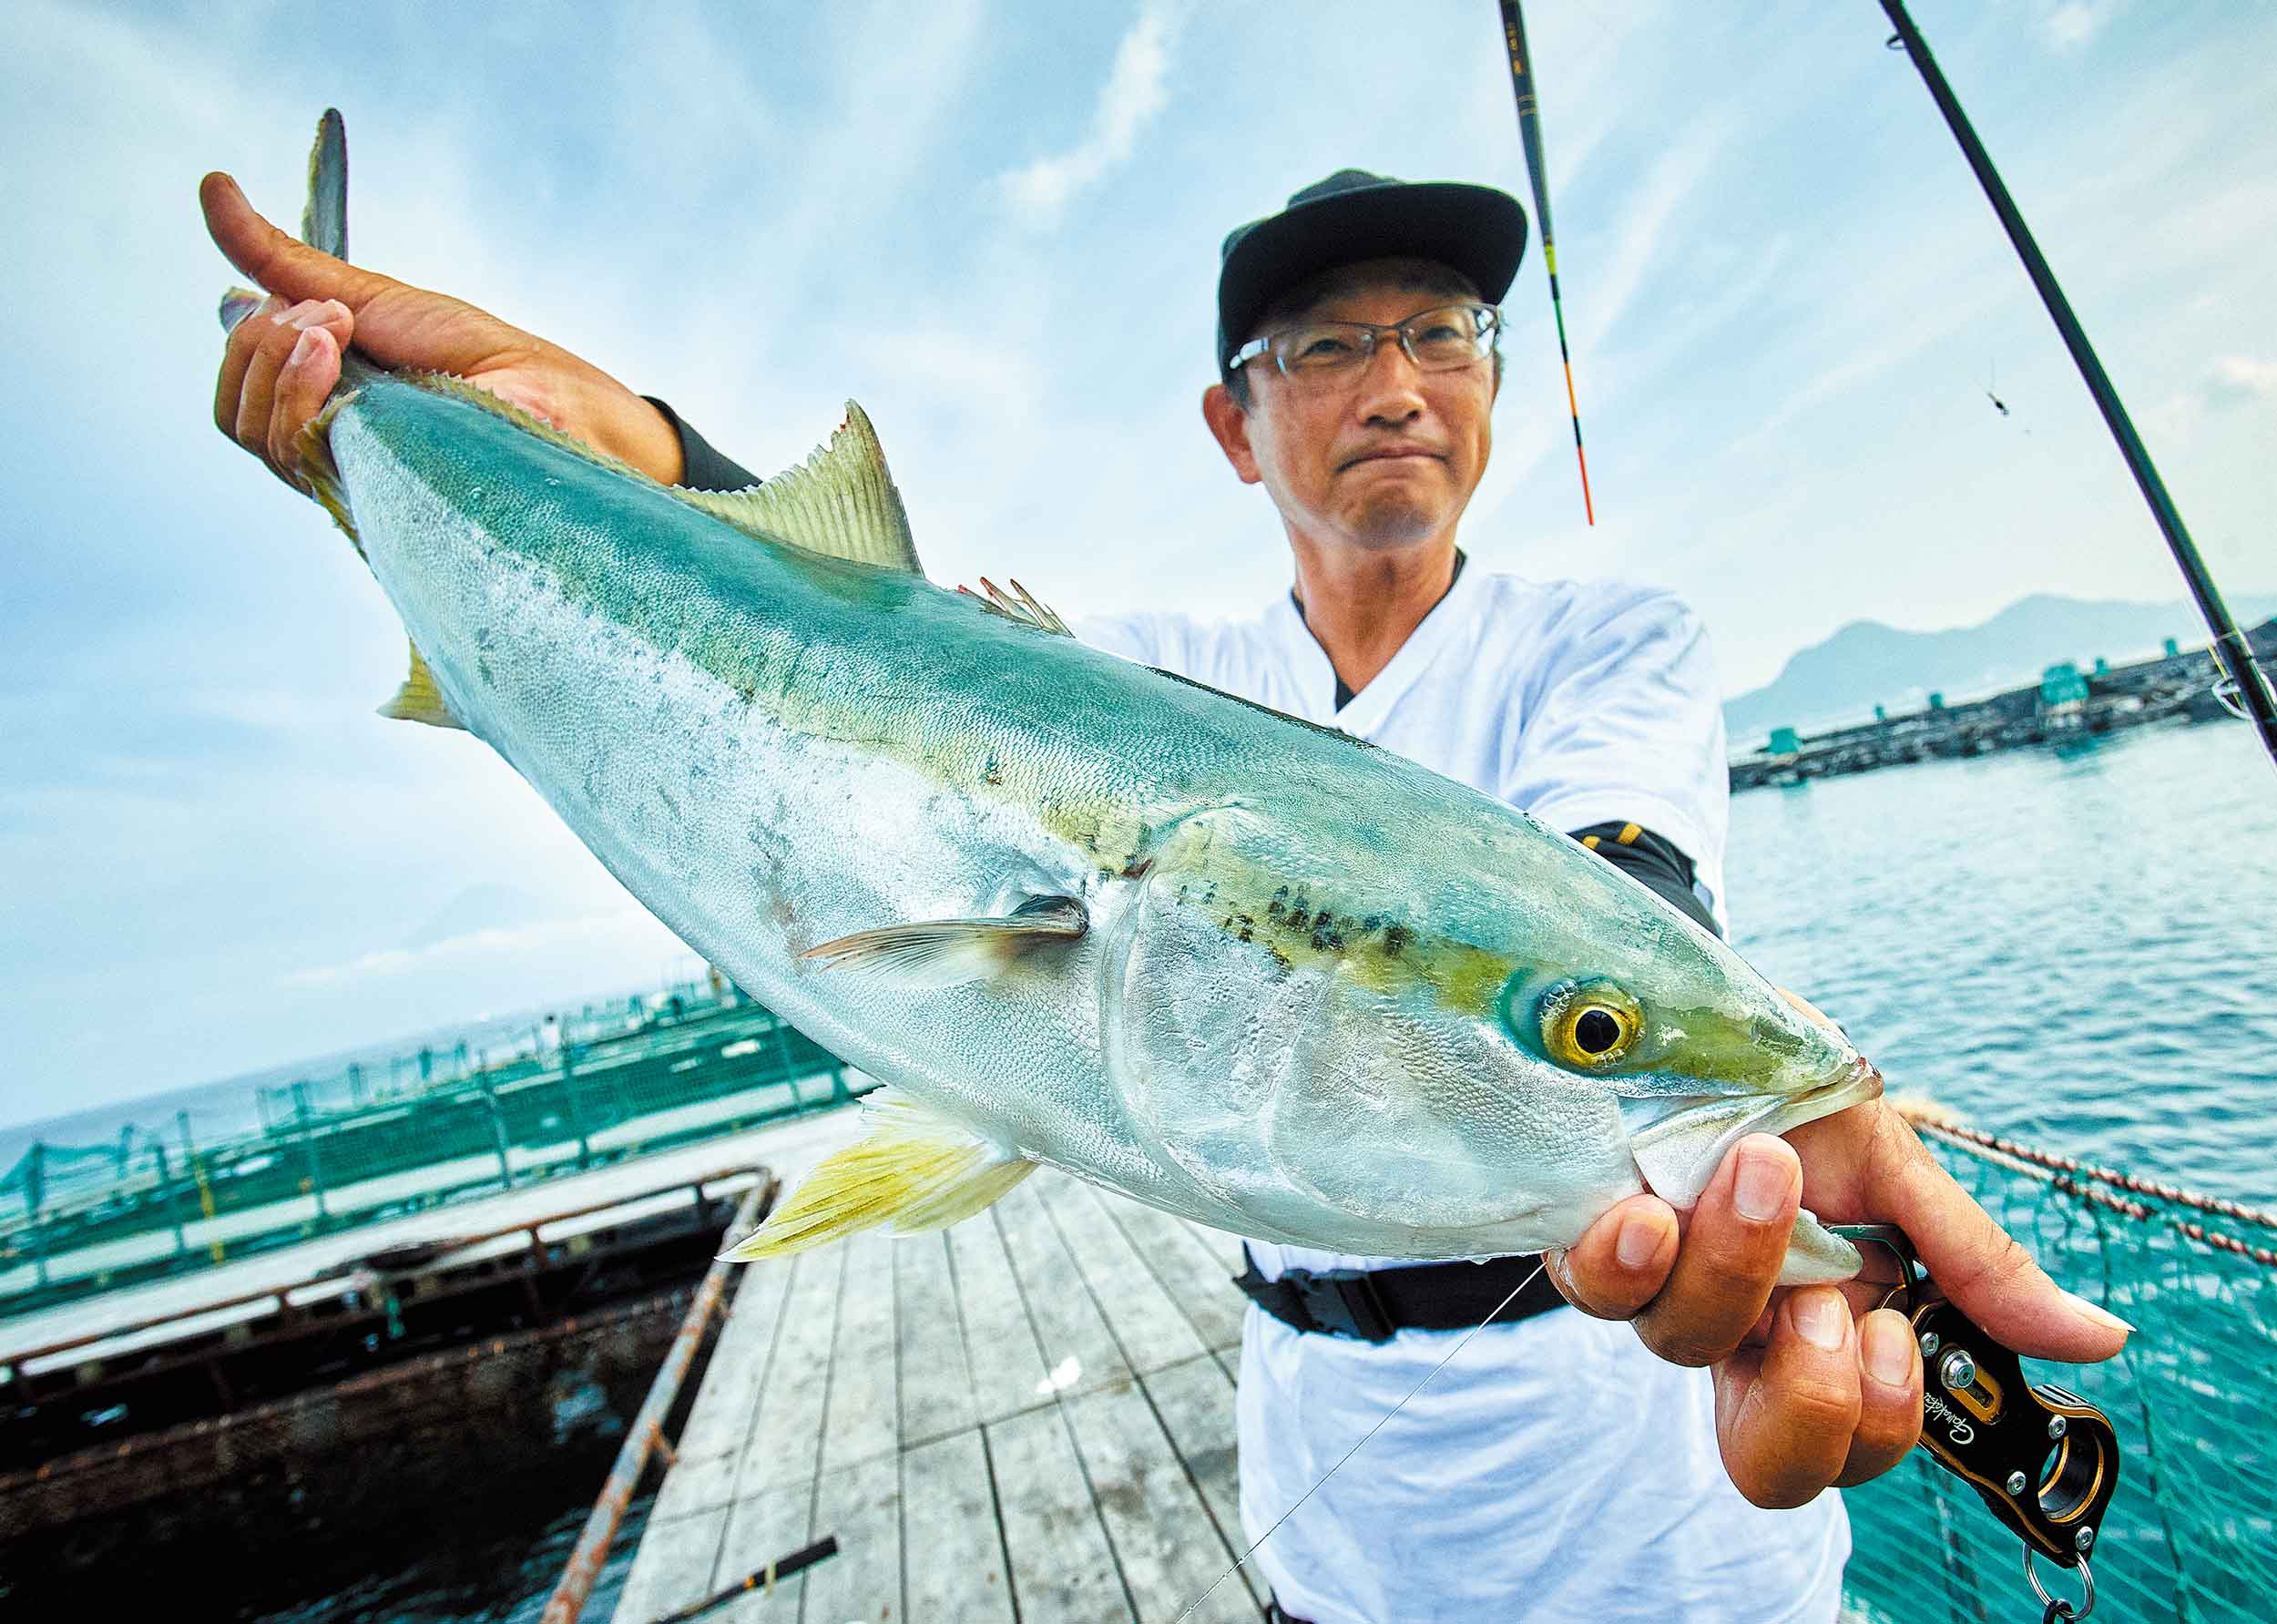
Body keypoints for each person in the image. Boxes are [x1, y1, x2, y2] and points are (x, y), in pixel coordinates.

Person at [200, 164, 2129, 1621]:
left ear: (1489, 386)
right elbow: (847, 624)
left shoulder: (1604, 642)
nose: (1395, 383)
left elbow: (1624, 899)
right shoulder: (1130, 671)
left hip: (1654, 1544)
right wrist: (552, 428)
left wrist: (1701, 1072)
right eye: (1328, 344)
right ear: (1234, 421)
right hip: (1340, 1530)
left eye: (1442, 331)